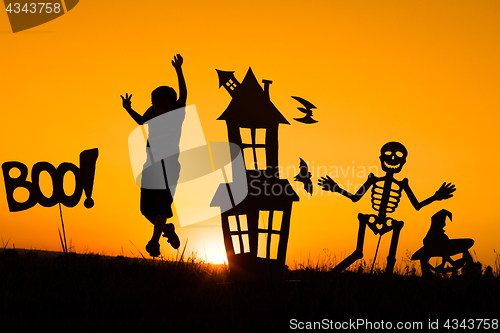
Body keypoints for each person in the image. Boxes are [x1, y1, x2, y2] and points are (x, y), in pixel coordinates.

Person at [121, 54, 186, 257]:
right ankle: (167, 230)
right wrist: (128, 109)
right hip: (150, 167)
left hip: (169, 167)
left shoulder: (177, 114)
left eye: (166, 106)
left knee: (161, 205)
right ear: (153, 106)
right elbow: (141, 120)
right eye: (158, 107)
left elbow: (183, 93)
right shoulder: (151, 116)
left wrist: (178, 70)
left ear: (173, 106)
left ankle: (154, 241)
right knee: (145, 209)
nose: (162, 110)